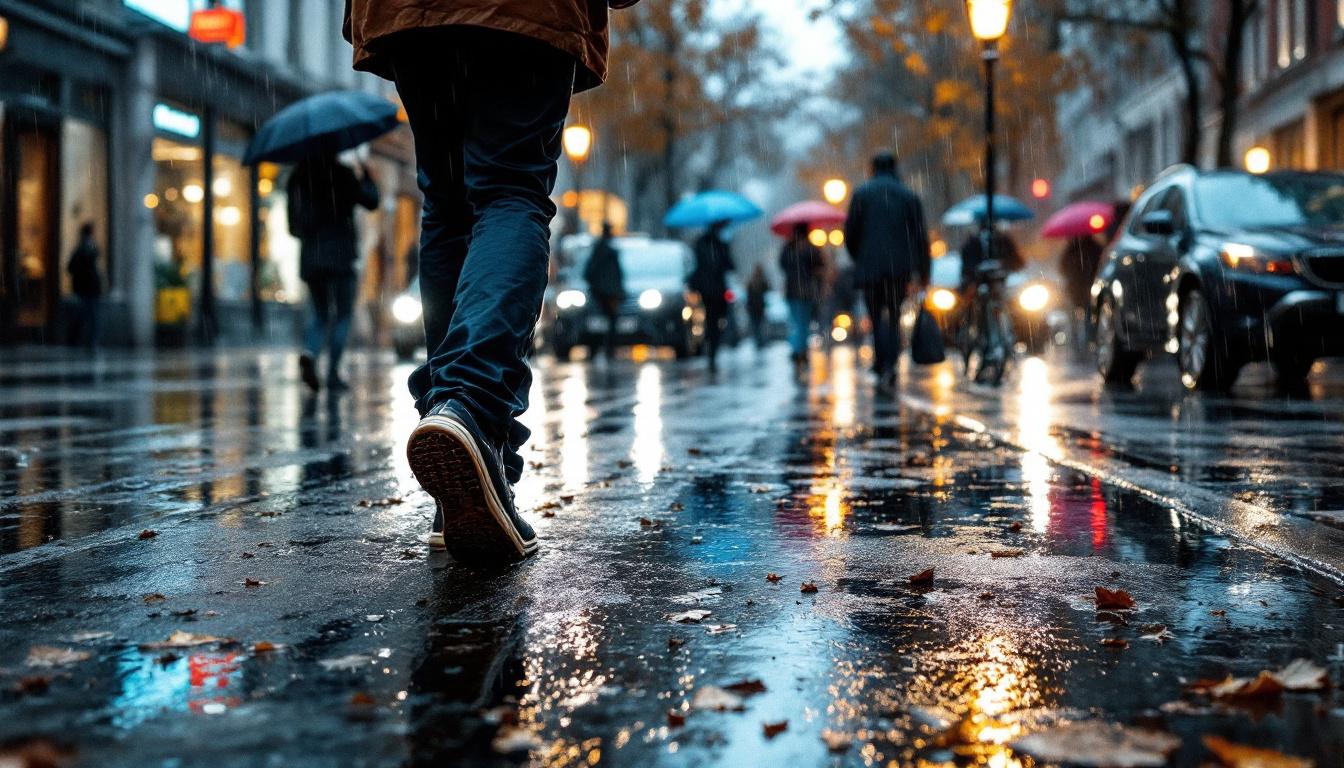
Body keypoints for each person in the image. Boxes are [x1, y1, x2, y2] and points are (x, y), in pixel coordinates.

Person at [345, 0, 634, 563]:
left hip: (408, 15)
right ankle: (471, 409)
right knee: (510, 189)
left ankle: (470, 466)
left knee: (448, 206)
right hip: (526, 12)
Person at [287, 152, 379, 392]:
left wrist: (313, 233)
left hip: (311, 259)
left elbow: (293, 227)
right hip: (341, 257)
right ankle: (333, 374)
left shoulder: (296, 178)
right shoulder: (342, 174)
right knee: (343, 315)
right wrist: (367, 176)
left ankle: (310, 352)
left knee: (320, 314)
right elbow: (371, 201)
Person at [843, 152, 931, 389]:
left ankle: (881, 361)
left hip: (870, 269)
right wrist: (923, 272)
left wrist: (860, 257)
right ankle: (890, 362)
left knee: (874, 316)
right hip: (898, 269)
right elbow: (920, 237)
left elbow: (850, 234)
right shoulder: (908, 196)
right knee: (893, 316)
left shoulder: (861, 195)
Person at [689, 220, 736, 372]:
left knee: (711, 320)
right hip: (715, 290)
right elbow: (729, 265)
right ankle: (712, 348)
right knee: (716, 321)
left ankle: (710, 348)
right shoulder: (719, 245)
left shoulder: (701, 244)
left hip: (707, 290)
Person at [779, 222, 826, 370]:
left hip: (792, 291)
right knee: (803, 323)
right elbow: (819, 267)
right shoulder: (810, 249)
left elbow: (782, 266)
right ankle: (800, 351)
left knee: (796, 322)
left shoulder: (788, 249)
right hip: (806, 292)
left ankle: (797, 349)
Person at [583, 223, 625, 360]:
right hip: (606, 293)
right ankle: (605, 349)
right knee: (608, 321)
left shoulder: (601, 249)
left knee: (603, 321)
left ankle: (600, 349)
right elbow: (616, 274)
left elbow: (589, 271)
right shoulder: (607, 251)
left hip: (602, 292)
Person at [1058, 234, 1104, 345]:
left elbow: (1062, 268)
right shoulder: (1096, 248)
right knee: (1091, 315)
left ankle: (1077, 342)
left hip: (1076, 288)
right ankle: (1090, 340)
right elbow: (1102, 265)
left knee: (1075, 316)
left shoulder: (1070, 250)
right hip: (1090, 287)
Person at [66, 223, 103, 349]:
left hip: (84, 288)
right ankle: (85, 341)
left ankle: (78, 340)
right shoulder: (88, 248)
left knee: (84, 315)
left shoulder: (80, 248)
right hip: (89, 288)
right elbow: (72, 267)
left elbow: (70, 268)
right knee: (89, 316)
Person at [958, 225, 1024, 289]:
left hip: (1003, 281)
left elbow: (1017, 261)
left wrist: (1004, 265)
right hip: (976, 281)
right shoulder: (972, 243)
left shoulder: (1004, 241)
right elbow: (967, 264)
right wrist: (976, 269)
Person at [744, 263, 770, 351]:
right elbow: (768, 288)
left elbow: (747, 295)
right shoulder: (762, 281)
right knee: (760, 326)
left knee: (755, 326)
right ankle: (761, 342)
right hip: (759, 308)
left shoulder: (751, 281)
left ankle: (758, 343)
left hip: (753, 308)